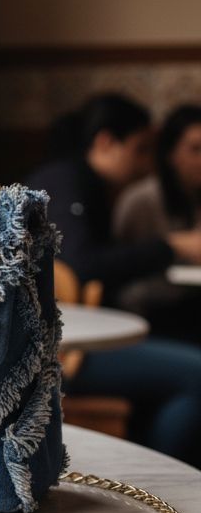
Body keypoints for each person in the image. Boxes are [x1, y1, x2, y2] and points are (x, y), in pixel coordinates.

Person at [27, 94, 201, 466]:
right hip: (59, 353)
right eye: (139, 150)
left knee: (187, 390)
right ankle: (166, 479)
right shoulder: (65, 183)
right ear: (106, 142)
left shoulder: (87, 185)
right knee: (196, 373)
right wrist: (172, 246)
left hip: (66, 340)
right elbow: (80, 266)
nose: (145, 163)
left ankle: (160, 478)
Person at [112, 104, 201, 341]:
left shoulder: (194, 195)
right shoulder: (142, 199)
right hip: (147, 311)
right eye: (195, 149)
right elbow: (119, 266)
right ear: (171, 153)